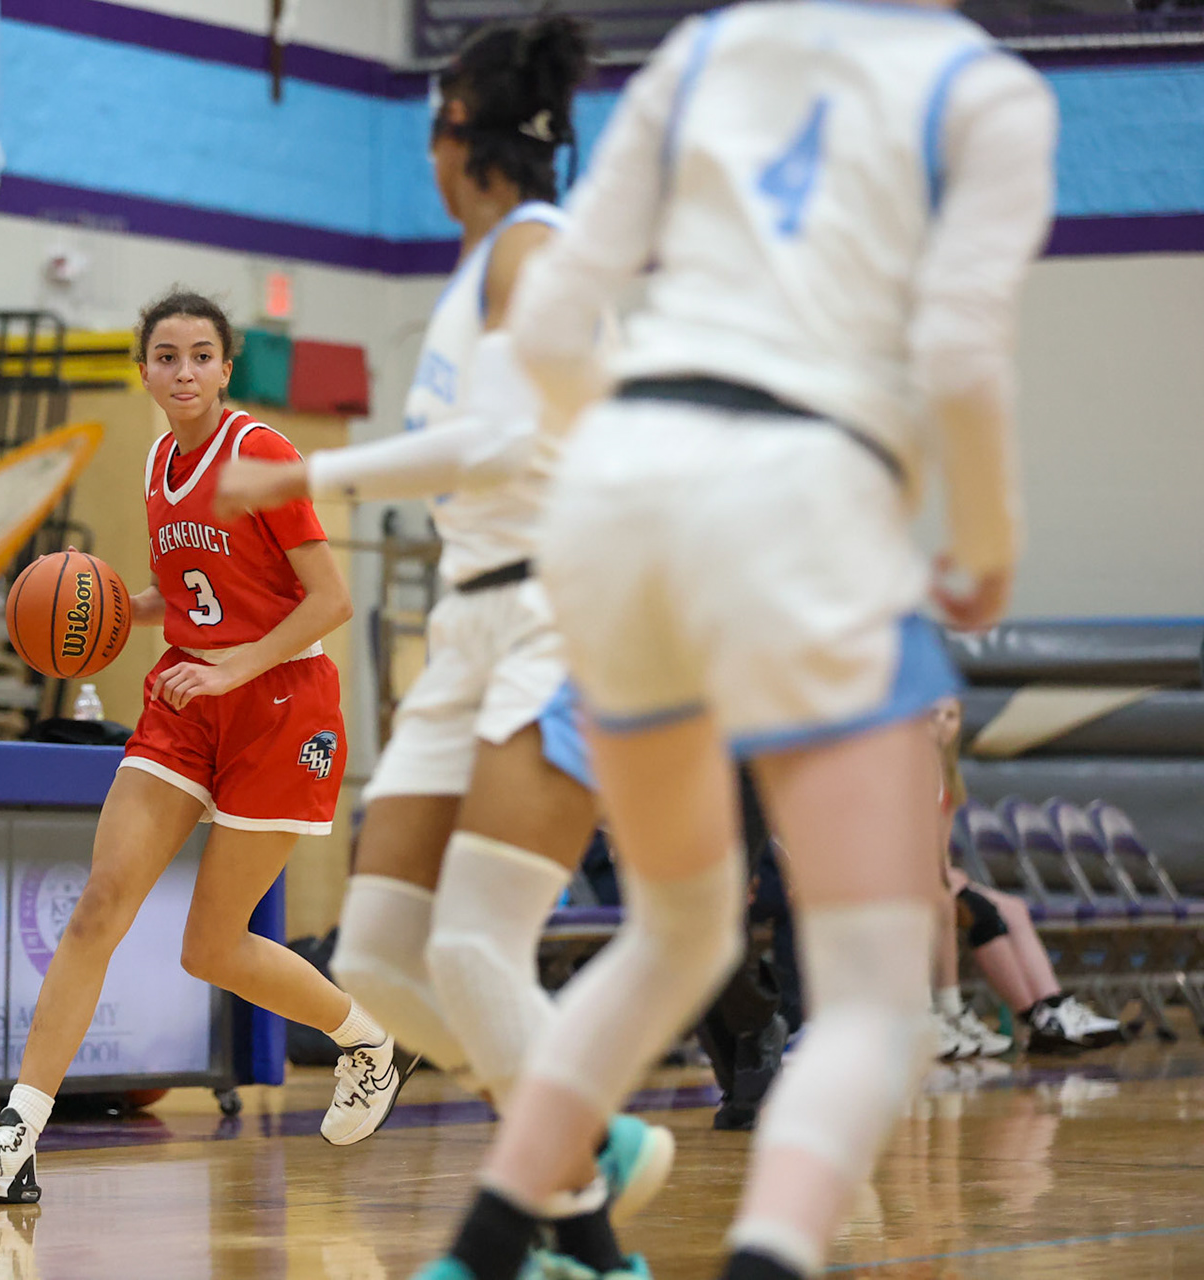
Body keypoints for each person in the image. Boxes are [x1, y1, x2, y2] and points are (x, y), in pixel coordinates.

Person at [418, 3, 1058, 1277]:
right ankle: (768, 1255)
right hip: (802, 492)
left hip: (616, 494)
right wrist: (988, 537)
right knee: (876, 993)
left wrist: (656, 468)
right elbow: (954, 348)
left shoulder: (705, 46)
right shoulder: (989, 92)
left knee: (677, 930)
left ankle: (484, 1251)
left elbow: (548, 332)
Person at [215, 15, 674, 1256]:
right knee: (379, 956)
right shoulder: (479, 274)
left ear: (457, 137)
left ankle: (581, 1232)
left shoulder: (539, 256)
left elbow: (501, 445)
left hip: (559, 613)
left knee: (475, 942)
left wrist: (317, 473)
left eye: (433, 125)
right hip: (471, 616)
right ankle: (582, 1137)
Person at [0, 290, 391, 1206]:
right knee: (100, 901)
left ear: (227, 368)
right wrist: (113, 609)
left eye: (201, 356)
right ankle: (16, 1137)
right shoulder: (156, 460)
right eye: (167, 356)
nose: (183, 372)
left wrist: (234, 669)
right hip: (185, 698)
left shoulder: (261, 454)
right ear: (143, 369)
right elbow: (191, 592)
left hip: (282, 704)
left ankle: (366, 1044)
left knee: (211, 949)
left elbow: (329, 600)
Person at [927, 698, 1120, 1057]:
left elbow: (939, 846)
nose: (941, 723)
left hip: (931, 873)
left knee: (1013, 906)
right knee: (975, 909)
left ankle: (1052, 1006)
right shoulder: (910, 769)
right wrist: (939, 877)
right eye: (933, 714)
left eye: (951, 716)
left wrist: (945, 873)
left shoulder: (948, 773)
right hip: (910, 879)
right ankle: (1023, 1015)